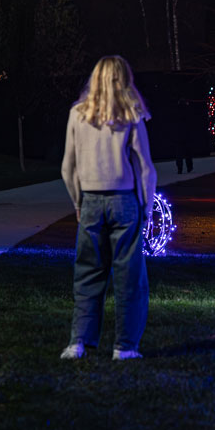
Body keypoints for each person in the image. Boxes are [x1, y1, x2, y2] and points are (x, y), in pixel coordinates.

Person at [59, 55, 157, 361]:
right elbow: (145, 168)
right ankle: (125, 347)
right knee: (129, 276)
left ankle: (79, 342)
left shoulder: (77, 114)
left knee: (88, 273)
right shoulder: (131, 114)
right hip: (124, 201)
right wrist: (147, 205)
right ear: (123, 79)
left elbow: (67, 167)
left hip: (89, 200)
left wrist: (77, 201)